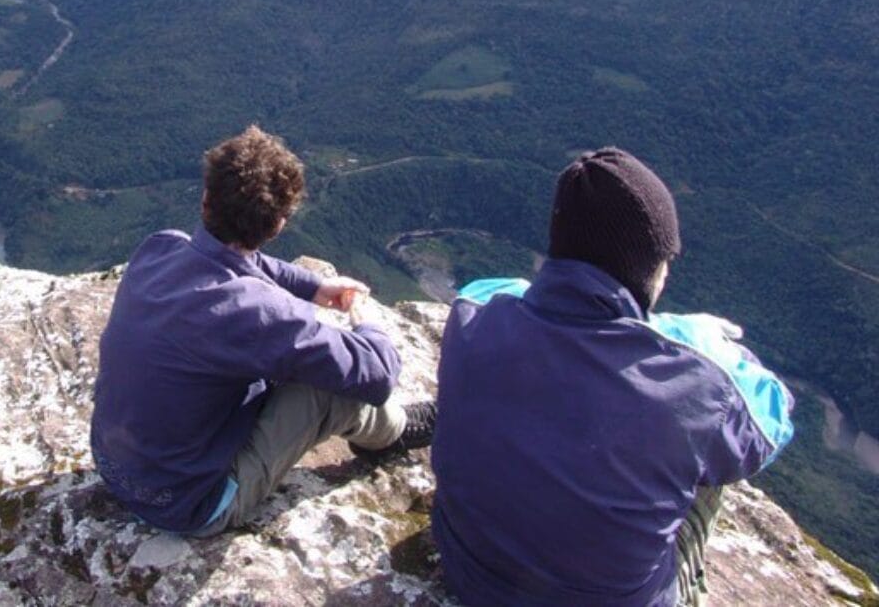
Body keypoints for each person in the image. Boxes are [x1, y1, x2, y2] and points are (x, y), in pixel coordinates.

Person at [431, 148, 794, 606]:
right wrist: (702, 339)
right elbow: (773, 418)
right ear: (649, 266)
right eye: (666, 261)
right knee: (710, 448)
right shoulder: (698, 382)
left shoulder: (471, 316)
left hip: (471, 576)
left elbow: (497, 290)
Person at [90, 125, 436, 537]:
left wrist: (313, 286)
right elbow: (377, 374)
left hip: (114, 465)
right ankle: (394, 431)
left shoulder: (159, 248)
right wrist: (365, 317)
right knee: (328, 389)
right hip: (190, 505)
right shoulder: (257, 313)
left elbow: (240, 262)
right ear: (278, 226)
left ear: (205, 200)